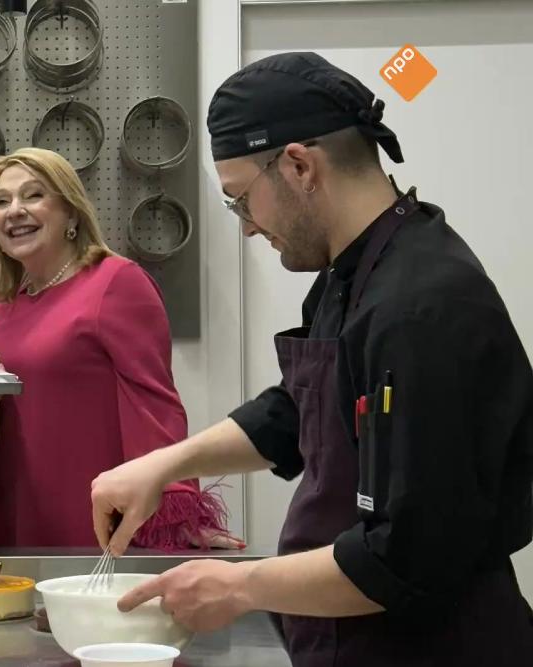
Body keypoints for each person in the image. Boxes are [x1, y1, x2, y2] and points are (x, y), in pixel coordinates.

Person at [90, 52, 533, 666]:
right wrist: (164, 465)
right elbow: (299, 412)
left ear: (299, 166)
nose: (246, 227)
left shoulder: (420, 308)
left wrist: (238, 586)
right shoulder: (352, 274)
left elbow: (402, 557)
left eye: (241, 200)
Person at [0, 147, 235, 549]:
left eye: (33, 195)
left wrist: (177, 507)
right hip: (19, 511)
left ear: (71, 212)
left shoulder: (117, 282)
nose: (14, 210)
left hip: (93, 516)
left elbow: (155, 404)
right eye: (1, 202)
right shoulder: (10, 303)